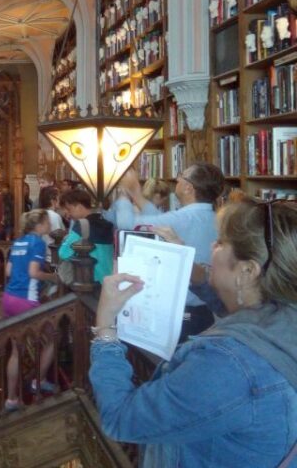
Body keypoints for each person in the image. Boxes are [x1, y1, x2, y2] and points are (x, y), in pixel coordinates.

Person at [90, 200, 297, 467]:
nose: (212, 246)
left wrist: (106, 326)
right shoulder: (282, 313)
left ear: (247, 271)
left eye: (221, 242)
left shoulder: (227, 365)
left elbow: (120, 418)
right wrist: (187, 263)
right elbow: (241, 304)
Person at [111, 163, 226, 338]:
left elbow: (126, 225)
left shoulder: (182, 218)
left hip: (179, 316)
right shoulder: (217, 218)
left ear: (188, 188)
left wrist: (123, 195)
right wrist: (137, 194)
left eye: (181, 176)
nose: (177, 179)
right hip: (205, 312)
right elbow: (157, 219)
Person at [3, 210, 59, 411]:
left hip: (8, 298)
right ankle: (39, 380)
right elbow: (33, 272)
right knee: (52, 338)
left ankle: (11, 399)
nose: (50, 225)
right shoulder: (37, 242)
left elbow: (8, 271)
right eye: (48, 222)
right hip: (25, 300)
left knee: (16, 351)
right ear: (40, 224)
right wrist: (53, 277)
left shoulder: (18, 241)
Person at [59, 189, 115, 284]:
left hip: (89, 280)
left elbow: (64, 253)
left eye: (69, 209)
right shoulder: (107, 224)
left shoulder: (82, 225)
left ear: (79, 206)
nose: (68, 214)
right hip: (107, 279)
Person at [38, 186, 65, 263]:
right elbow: (59, 237)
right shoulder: (55, 216)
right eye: (59, 198)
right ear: (53, 201)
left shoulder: (39, 214)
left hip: (41, 257)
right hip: (51, 258)